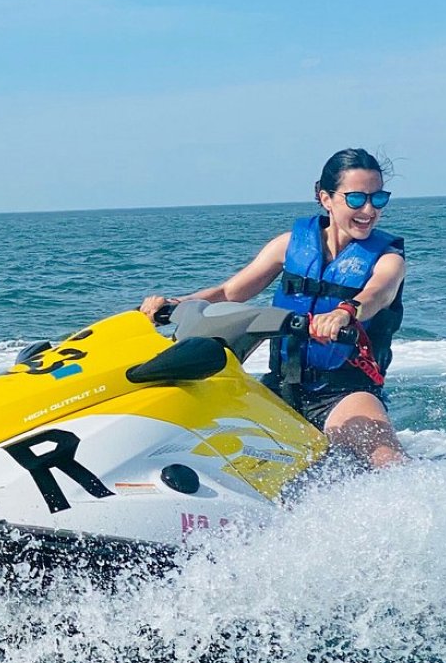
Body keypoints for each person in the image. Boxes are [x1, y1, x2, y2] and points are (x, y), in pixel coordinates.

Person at [140, 148, 407, 468]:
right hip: (278, 390)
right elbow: (230, 291)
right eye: (356, 199)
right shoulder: (288, 246)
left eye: (377, 199)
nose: (368, 210)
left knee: (388, 463)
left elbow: (377, 294)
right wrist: (177, 304)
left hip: (345, 394)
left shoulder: (388, 259)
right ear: (326, 198)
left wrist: (344, 312)